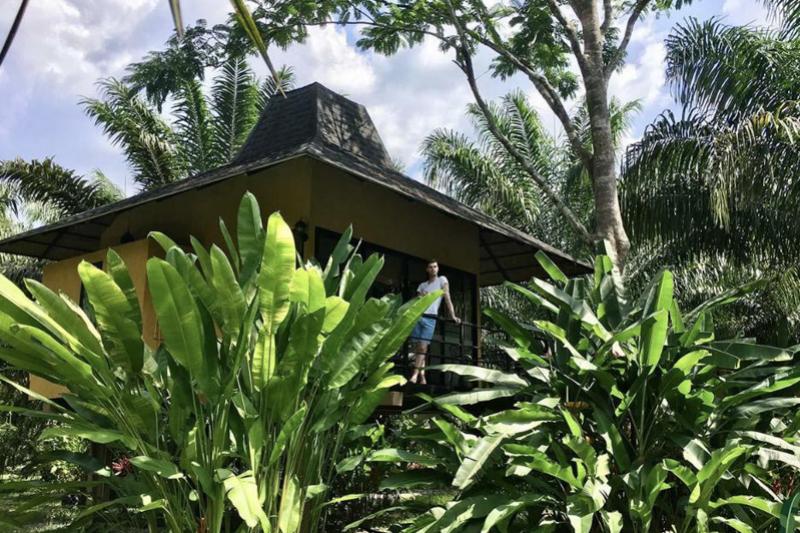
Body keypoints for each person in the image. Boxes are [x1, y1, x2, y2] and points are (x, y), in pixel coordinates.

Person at [409, 259, 460, 385]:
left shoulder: (442, 280)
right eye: (431, 267)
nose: (433, 269)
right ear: (427, 269)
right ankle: (422, 376)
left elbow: (447, 297)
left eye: (435, 266)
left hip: (430, 317)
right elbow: (416, 301)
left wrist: (453, 315)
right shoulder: (422, 285)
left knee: (423, 347)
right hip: (418, 315)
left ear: (438, 268)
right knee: (418, 348)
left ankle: (415, 375)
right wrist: (421, 296)